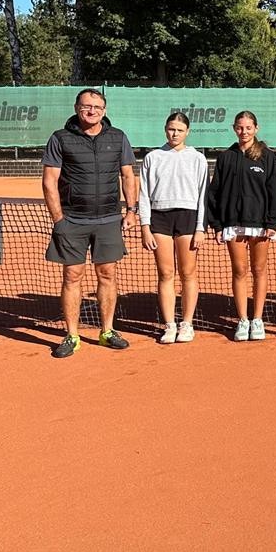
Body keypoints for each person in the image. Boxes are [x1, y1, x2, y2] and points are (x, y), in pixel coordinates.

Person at [41, 88, 137, 358]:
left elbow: (128, 176)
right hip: (72, 220)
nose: (91, 111)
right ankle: (72, 335)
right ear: (76, 108)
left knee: (107, 274)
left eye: (97, 107)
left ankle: (107, 331)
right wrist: (59, 219)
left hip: (108, 219)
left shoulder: (118, 137)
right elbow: (49, 181)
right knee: (72, 275)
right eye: (86, 106)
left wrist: (131, 211)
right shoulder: (60, 138)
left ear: (104, 111)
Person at [205, 111, 276, 342]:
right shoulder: (225, 157)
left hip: (260, 225)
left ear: (256, 129)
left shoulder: (267, 157)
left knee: (259, 270)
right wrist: (217, 225)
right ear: (234, 128)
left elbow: (275, 191)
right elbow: (215, 193)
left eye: (249, 127)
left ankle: (257, 319)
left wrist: (273, 222)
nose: (244, 132)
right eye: (240, 127)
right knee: (239, 270)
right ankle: (242, 320)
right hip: (232, 224)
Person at [139, 111, 208, 344]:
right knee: (166, 273)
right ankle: (169, 325)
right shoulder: (153, 157)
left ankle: (186, 324)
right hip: (160, 218)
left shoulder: (197, 158)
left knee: (188, 273)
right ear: (165, 130)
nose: (174, 133)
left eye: (179, 130)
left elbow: (203, 196)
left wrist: (200, 228)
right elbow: (144, 194)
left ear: (187, 132)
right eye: (171, 129)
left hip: (188, 217)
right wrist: (145, 226)